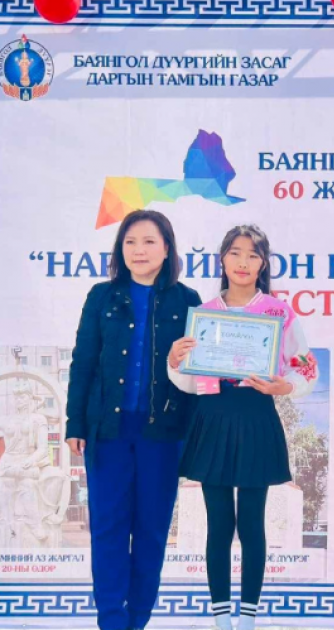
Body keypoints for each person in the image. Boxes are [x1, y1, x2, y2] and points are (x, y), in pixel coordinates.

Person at [168, 225, 319, 630]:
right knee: (218, 523)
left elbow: (305, 368)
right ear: (222, 259)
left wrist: (286, 385)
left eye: (253, 255)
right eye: (235, 252)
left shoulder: (278, 312)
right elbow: (188, 381)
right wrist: (174, 362)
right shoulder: (204, 313)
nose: (243, 262)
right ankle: (221, 619)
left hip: (256, 417)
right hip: (213, 417)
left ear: (263, 264)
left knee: (252, 522)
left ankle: (248, 618)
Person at [65, 210, 201, 630]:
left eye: (148, 241)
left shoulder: (188, 300)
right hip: (106, 433)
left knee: (152, 533)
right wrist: (74, 424)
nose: (138, 250)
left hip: (164, 436)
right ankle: (111, 622)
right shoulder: (101, 297)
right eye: (130, 242)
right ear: (120, 249)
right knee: (107, 530)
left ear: (167, 248)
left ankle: (137, 621)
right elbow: (83, 363)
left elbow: (199, 373)